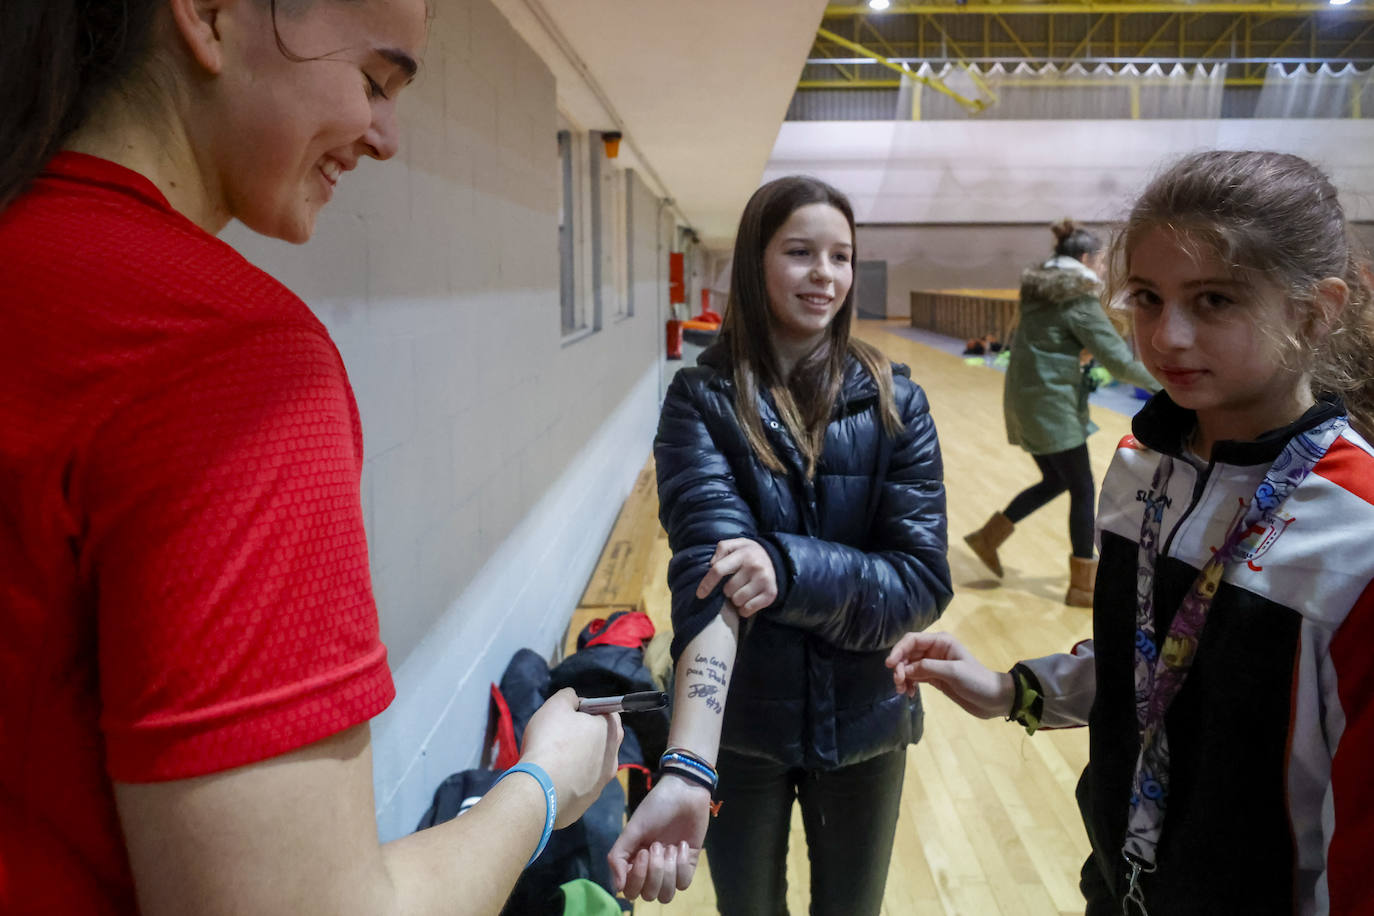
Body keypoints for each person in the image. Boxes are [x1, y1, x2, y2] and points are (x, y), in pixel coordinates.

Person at [0, 3, 621, 914]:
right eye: (374, 81)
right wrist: (541, 788)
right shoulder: (225, 358)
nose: (388, 137)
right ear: (210, 17)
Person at [887, 150, 1374, 915]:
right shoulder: (1140, 465)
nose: (1169, 336)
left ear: (1316, 310)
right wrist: (1013, 691)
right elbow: (1145, 658)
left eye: (1213, 300)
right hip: (1119, 883)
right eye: (1147, 298)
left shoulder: (1357, 530)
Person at [607, 176, 954, 912]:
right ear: (756, 263)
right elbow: (711, 580)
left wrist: (786, 569)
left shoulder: (900, 401)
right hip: (740, 733)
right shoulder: (700, 402)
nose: (825, 273)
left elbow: (921, 582)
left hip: (868, 725)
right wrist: (687, 764)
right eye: (800, 252)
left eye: (841, 255)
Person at [964, 218, 1159, 607]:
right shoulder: (1076, 296)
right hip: (1051, 406)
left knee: (1056, 480)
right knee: (1083, 487)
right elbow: (1119, 364)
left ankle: (988, 537)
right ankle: (1083, 585)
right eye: (1102, 262)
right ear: (1085, 258)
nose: (1103, 270)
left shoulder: (1039, 290)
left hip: (1026, 400)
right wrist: (1169, 384)